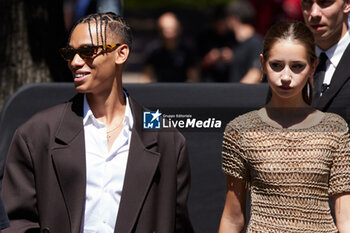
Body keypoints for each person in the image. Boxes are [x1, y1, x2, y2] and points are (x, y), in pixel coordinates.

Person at [1, 12, 194, 233]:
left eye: (87, 52)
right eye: (70, 53)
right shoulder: (36, 133)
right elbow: (15, 223)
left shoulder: (166, 136)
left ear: (121, 54)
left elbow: (177, 224)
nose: (75, 62)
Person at [219, 21, 350, 232]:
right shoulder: (241, 130)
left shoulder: (334, 128)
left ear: (313, 66)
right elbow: (233, 218)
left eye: (297, 66)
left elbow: (345, 217)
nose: (286, 77)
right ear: (262, 64)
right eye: (276, 65)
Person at [301, 0, 350, 126]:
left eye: (324, 2)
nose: (314, 13)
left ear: (347, 4)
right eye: (307, 3)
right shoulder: (284, 62)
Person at [142, 12, 198, 83]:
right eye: (164, 29)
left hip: (182, 90)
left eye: (171, 29)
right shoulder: (153, 51)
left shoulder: (187, 51)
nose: (167, 33)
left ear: (179, 29)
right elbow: (147, 77)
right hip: (159, 89)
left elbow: (194, 77)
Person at [225, 0, 263, 84]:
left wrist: (235, 93)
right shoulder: (236, 43)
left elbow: (255, 73)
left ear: (234, 19)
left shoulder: (256, 43)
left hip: (245, 94)